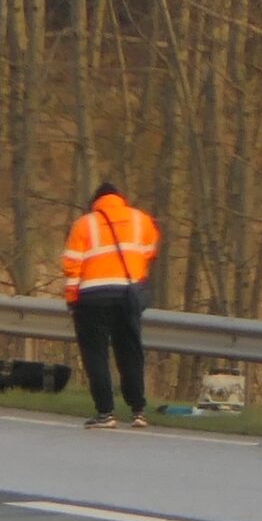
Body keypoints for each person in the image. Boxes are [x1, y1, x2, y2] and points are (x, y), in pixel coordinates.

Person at [61, 180, 160, 428]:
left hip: (92, 297)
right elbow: (149, 251)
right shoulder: (141, 220)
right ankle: (138, 410)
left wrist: (72, 298)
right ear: (120, 198)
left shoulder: (84, 224)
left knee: (96, 354)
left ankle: (106, 413)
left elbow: (72, 265)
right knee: (130, 352)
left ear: (96, 201)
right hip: (127, 294)